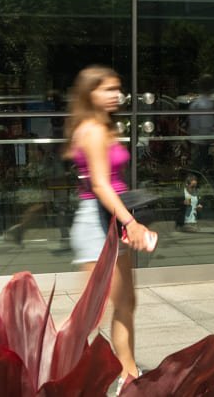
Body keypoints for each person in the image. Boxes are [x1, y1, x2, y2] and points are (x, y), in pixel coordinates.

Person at [65, 65, 157, 377]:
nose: (115, 94)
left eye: (117, 88)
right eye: (107, 89)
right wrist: (130, 223)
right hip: (97, 223)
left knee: (126, 302)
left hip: (111, 219)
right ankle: (64, 371)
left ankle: (128, 373)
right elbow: (101, 184)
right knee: (92, 313)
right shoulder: (91, 130)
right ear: (89, 93)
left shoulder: (104, 126)